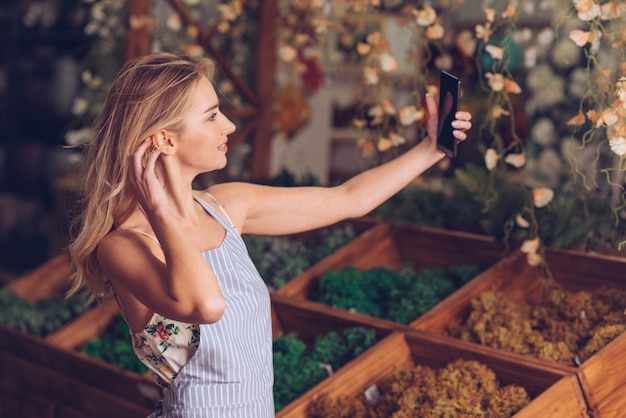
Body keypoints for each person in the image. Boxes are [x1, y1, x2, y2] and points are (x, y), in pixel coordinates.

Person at [67, 52, 472, 417]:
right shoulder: (123, 246)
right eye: (211, 116)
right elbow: (206, 305)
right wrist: (158, 207)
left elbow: (348, 199)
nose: (228, 124)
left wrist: (430, 149)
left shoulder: (225, 206)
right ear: (165, 140)